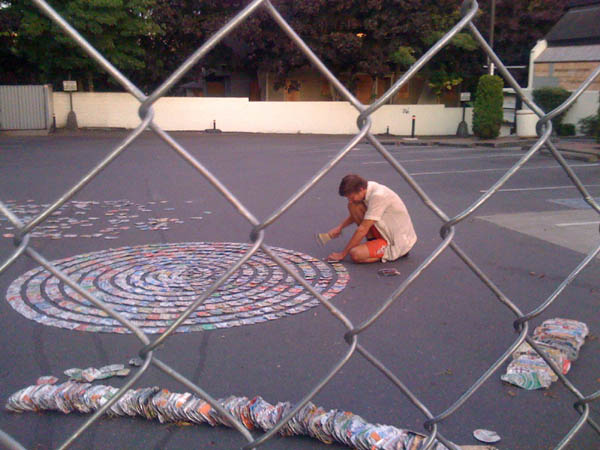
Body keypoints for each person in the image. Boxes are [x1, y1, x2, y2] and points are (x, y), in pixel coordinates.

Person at [326, 174, 417, 263]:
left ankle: (395, 253)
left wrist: (342, 254)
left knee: (355, 254)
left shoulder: (378, 196)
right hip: (384, 230)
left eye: (352, 197)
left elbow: (363, 229)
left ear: (361, 189)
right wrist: (340, 227)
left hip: (395, 241)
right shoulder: (368, 187)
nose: (350, 200)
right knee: (353, 206)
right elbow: (362, 215)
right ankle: (373, 242)